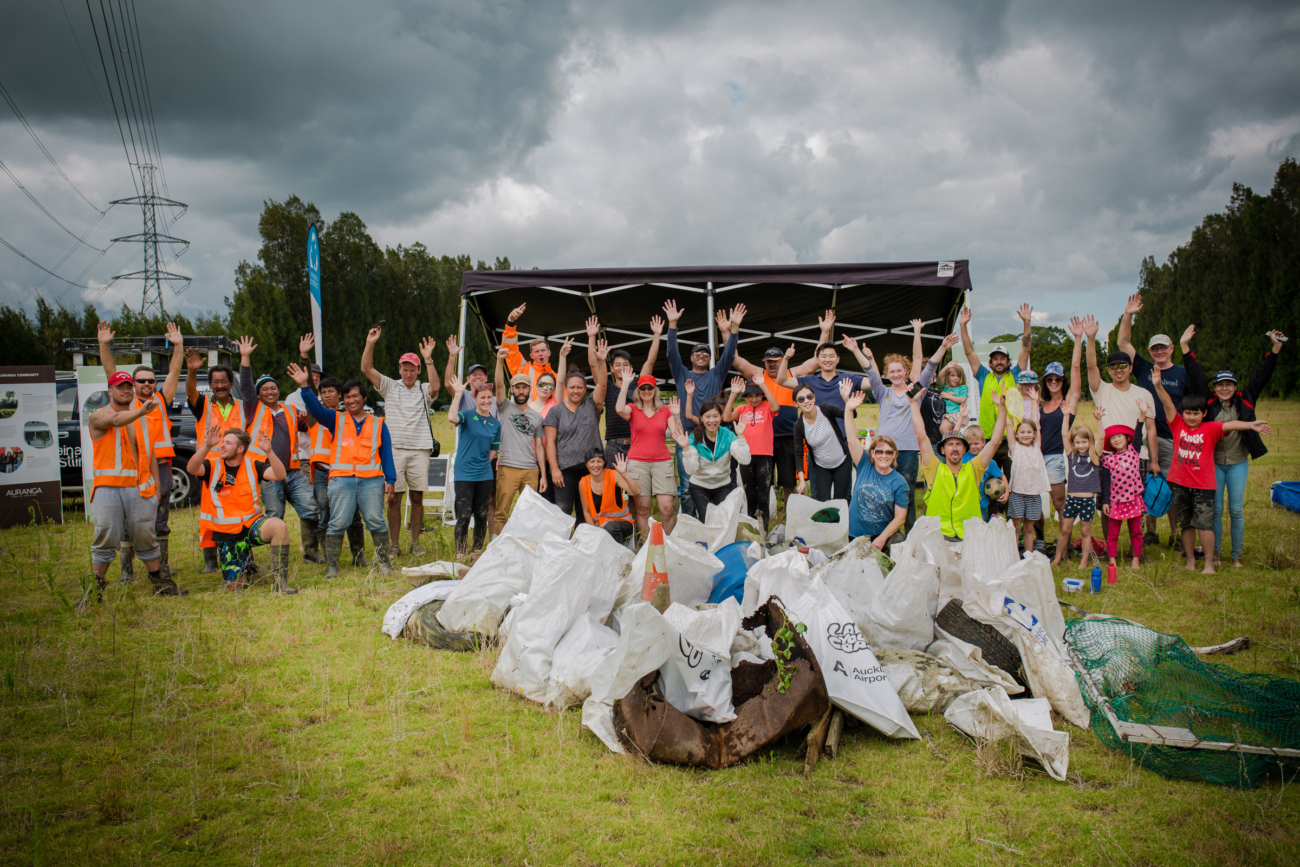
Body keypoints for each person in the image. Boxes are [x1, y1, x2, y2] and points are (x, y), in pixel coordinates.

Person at [1149, 368, 1272, 576]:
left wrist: (1251, 425)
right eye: (1188, 413)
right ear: (1183, 413)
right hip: (1179, 484)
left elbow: (1231, 423)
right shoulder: (1177, 424)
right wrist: (1158, 385)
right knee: (1186, 524)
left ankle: (1209, 563)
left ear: (1204, 414)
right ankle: (1189, 560)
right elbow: (1168, 403)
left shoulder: (1210, 428)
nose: (1191, 417)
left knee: (1205, 525)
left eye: (1196, 413)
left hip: (1203, 486)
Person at [1182, 326, 1285, 567]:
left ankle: (1236, 557)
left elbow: (1262, 374)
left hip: (1238, 463)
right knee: (1216, 510)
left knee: (1236, 511)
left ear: (1235, 386)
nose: (1224, 388)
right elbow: (1195, 373)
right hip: (1214, 463)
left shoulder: (1246, 398)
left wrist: (1276, 348)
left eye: (1229, 384)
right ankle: (1216, 554)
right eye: (1220, 385)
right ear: (1215, 387)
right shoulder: (1208, 402)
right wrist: (1185, 347)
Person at [97, 320, 185, 584]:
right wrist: (104, 345)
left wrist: (178, 346)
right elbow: (109, 370)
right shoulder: (128, 402)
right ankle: (126, 571)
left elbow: (174, 371)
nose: (146, 384)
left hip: (159, 467)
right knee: (126, 521)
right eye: (140, 381)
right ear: (132, 385)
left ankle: (162, 567)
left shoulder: (160, 400)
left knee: (159, 518)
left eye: (151, 380)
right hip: (133, 468)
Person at [291, 365, 398, 576]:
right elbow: (314, 408)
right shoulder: (334, 419)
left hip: (371, 481)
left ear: (364, 398)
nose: (351, 400)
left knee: (376, 521)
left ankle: (384, 563)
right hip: (341, 481)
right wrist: (305, 386)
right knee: (337, 523)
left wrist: (391, 479)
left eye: (355, 396)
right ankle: (333, 566)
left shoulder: (378, 423)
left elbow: (386, 454)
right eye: (347, 397)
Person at [846, 330, 960, 527]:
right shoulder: (882, 391)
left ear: (906, 372)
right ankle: (884, 532)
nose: (896, 374)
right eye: (892, 371)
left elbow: (930, 367)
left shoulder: (914, 391)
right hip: (883, 450)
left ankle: (909, 537)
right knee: (881, 492)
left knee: (905, 493)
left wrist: (943, 346)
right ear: (887, 374)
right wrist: (856, 350)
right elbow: (870, 372)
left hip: (907, 450)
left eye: (900, 371)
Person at [87, 372, 181, 597]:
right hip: (108, 488)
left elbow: (149, 456)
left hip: (141, 489)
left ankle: (161, 585)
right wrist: (139, 411)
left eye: (129, 387)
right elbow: (117, 420)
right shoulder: (98, 416)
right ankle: (95, 590)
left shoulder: (144, 420)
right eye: (120, 387)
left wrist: (157, 489)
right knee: (106, 538)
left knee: (145, 537)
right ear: (110, 391)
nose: (126, 391)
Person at [730, 310, 836, 508]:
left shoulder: (791, 374)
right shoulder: (759, 375)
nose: (773, 365)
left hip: (788, 437)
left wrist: (825, 333)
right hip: (764, 441)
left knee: (789, 483)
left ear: (782, 361)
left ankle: (790, 521)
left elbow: (815, 362)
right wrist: (730, 329)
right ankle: (765, 520)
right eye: (769, 362)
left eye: (776, 362)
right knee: (763, 484)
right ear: (765, 363)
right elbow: (735, 359)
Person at [236, 337, 323, 564]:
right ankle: (276, 562)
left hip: (294, 472)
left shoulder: (291, 410)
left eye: (273, 387)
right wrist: (245, 358)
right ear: (258, 395)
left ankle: (311, 552)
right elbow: (245, 386)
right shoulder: (254, 410)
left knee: (311, 509)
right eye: (264, 389)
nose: (270, 391)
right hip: (269, 474)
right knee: (275, 517)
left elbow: (312, 418)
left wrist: (304, 359)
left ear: (279, 390)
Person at [361, 325, 441, 558]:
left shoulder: (423, 388)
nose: (408, 374)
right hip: (394, 449)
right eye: (404, 370)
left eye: (412, 370)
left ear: (418, 371)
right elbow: (366, 368)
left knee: (417, 496)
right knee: (393, 497)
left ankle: (416, 543)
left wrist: (428, 360)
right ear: (400, 369)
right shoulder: (389, 386)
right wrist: (371, 343)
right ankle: (394, 545)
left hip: (420, 449)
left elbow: (436, 387)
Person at [1118, 293, 1191, 547]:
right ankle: (1150, 532)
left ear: (1171, 349)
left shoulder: (1183, 374)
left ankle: (1175, 534)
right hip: (1146, 437)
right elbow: (1123, 342)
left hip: (1174, 440)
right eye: (1154, 348)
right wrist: (1128, 315)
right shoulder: (1144, 369)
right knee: (1146, 483)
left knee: (1171, 488)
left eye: (1164, 348)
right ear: (1150, 351)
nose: (1159, 352)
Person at [187, 426, 295, 594]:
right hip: (227, 534)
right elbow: (191, 469)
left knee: (279, 526)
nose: (222, 445)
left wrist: (270, 452)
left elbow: (280, 475)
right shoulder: (212, 465)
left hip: (252, 525)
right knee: (235, 588)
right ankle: (245, 563)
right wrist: (207, 446)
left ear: (240, 449)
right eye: (222, 442)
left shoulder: (253, 465)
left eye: (227, 443)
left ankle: (281, 584)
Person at [664, 300, 744, 515]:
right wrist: (672, 325)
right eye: (697, 354)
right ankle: (691, 528)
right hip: (688, 435)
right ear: (691, 358)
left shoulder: (716, 374)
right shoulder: (682, 375)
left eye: (705, 354)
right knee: (687, 488)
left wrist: (733, 329)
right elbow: (672, 354)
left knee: (716, 484)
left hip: (714, 435)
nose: (701, 356)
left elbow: (728, 355)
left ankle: (714, 524)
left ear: (710, 359)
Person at [913, 388, 1007, 541]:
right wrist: (912, 403)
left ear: (965, 449)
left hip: (969, 536)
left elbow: (995, 442)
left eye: (958, 444)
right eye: (950, 445)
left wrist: (1002, 408)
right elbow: (921, 437)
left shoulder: (974, 468)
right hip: (939, 536)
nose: (955, 448)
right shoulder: (934, 468)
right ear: (942, 450)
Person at [184, 348, 246, 575]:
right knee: (210, 514)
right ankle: (210, 562)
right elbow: (190, 391)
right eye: (214, 382)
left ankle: (241, 555)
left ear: (231, 383)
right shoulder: (203, 406)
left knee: (238, 511)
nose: (219, 386)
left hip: (237, 469)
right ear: (210, 385)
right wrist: (192, 372)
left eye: (224, 381)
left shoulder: (241, 406)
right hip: (210, 470)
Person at [1084, 315, 1160, 485]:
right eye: (1113, 367)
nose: (1119, 370)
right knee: (1107, 506)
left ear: (1131, 368)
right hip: (1109, 456)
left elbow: (1151, 429)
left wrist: (1154, 461)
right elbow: (1091, 366)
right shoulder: (1101, 389)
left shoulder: (1144, 394)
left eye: (1123, 366)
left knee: (1135, 505)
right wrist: (1090, 339)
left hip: (1138, 456)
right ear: (1108, 370)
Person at [1030, 318, 1086, 550]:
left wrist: (1077, 339)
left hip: (1054, 457)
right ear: (1045, 380)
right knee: (1033, 502)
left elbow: (1075, 368)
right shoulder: (1039, 402)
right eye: (1050, 379)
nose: (1053, 382)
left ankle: (1066, 542)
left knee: (1059, 501)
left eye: (1058, 378)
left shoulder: (1068, 401)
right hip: (1035, 457)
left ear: (1063, 381)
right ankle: (1039, 538)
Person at [545, 325, 610, 518]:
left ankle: (585, 546)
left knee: (588, 512)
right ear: (566, 388)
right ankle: (562, 546)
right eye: (572, 387)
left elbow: (603, 384)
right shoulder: (555, 411)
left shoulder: (593, 404)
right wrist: (554, 469)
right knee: (563, 511)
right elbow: (549, 442)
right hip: (565, 470)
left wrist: (601, 361)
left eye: (580, 387)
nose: (576, 391)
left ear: (585, 389)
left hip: (592, 468)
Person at [304, 376, 368, 568]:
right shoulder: (315, 416)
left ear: (340, 395)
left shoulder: (347, 417)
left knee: (354, 517)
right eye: (323, 392)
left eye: (330, 391)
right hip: (324, 475)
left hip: (346, 473)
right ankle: (330, 558)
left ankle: (359, 555)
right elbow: (310, 396)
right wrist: (305, 360)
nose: (326, 395)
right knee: (325, 515)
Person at [958, 304, 1026, 474]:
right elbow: (969, 352)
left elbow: (1026, 349)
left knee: (1012, 482)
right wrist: (963, 326)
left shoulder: (1016, 375)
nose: (999, 362)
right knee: (989, 483)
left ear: (1008, 362)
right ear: (991, 362)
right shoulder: (983, 376)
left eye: (1002, 358)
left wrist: (1027, 323)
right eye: (995, 359)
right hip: (987, 439)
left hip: (1011, 438)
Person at [843, 387, 908, 551]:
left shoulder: (899, 482)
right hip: (854, 535)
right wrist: (849, 410)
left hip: (880, 536)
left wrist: (882, 538)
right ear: (872, 453)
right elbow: (851, 440)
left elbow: (900, 518)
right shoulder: (864, 464)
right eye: (879, 451)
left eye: (888, 452)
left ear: (894, 455)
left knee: (899, 540)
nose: (883, 455)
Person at [616, 369, 678, 538]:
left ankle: (670, 548)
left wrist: (677, 416)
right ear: (638, 391)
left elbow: (677, 434)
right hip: (637, 462)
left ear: (655, 390)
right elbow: (619, 409)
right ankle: (644, 547)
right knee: (643, 509)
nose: (646, 391)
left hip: (662, 461)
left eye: (649, 388)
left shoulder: (665, 410)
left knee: (667, 508)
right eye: (642, 388)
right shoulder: (633, 408)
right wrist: (626, 384)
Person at [492, 346, 546, 533]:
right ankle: (496, 547)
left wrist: (543, 474)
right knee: (502, 512)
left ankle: (525, 547)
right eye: (517, 388)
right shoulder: (504, 407)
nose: (521, 391)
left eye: (524, 387)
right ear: (512, 390)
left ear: (529, 390)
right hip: (508, 467)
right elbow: (499, 385)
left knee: (529, 513)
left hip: (531, 470)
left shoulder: (537, 417)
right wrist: (500, 361)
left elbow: (539, 447)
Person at [446, 374, 502, 556]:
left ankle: (477, 550)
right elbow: (452, 418)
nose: (486, 401)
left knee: (481, 515)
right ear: (475, 399)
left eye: (488, 397)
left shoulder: (495, 423)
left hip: (484, 475)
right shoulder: (468, 415)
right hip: (464, 474)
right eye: (482, 397)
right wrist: (457, 393)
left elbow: (494, 449)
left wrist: (485, 463)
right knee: (463, 515)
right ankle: (461, 552)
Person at [671, 397, 751, 515]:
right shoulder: (693, 439)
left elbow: (745, 460)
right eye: (707, 417)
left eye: (715, 416)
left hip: (723, 485)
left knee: (722, 520)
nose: (712, 420)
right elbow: (690, 470)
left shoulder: (728, 435)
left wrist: (741, 437)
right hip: (699, 486)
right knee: (706, 519)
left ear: (721, 417)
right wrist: (686, 449)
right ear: (701, 418)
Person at [723, 374, 780, 529]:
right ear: (746, 397)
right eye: (750, 396)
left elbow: (776, 407)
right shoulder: (742, 409)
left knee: (763, 494)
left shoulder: (767, 407)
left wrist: (763, 386)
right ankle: (752, 527)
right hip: (746, 456)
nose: (754, 399)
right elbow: (726, 416)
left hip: (765, 456)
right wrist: (734, 393)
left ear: (762, 395)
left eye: (757, 395)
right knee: (750, 495)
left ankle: (764, 528)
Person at [1006, 377, 1050, 556]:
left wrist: (1033, 401)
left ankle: (1029, 556)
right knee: (1017, 527)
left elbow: (1035, 421)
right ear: (1016, 435)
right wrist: (1005, 407)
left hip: (1033, 494)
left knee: (1029, 527)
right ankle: (1015, 556)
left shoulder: (1036, 447)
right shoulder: (1014, 448)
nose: (1025, 435)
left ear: (1034, 435)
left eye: (1029, 432)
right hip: (1017, 493)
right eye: (1022, 432)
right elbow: (1009, 425)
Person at [791, 381, 852, 502]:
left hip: (842, 463)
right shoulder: (799, 425)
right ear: (796, 403)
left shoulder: (825, 409)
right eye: (801, 399)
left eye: (809, 397)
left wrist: (846, 399)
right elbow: (799, 454)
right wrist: (802, 481)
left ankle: (843, 522)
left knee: (841, 502)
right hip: (821, 467)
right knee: (823, 504)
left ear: (814, 398)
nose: (806, 401)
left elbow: (851, 414)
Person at [1053, 420, 1101, 571]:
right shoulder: (1071, 455)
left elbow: (1103, 436)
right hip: (1072, 500)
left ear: (1090, 441)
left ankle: (1084, 560)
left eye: (1084, 442)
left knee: (1085, 531)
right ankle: (1057, 558)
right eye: (1077, 442)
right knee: (1065, 530)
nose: (1081, 445)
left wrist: (1098, 420)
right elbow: (1063, 434)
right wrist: (1066, 416)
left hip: (1088, 501)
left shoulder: (1094, 455)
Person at [1099, 420, 1146, 571]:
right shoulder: (1108, 460)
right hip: (1116, 501)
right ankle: (1112, 559)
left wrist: (1142, 417)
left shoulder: (1134, 451)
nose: (1117, 439)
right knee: (1113, 534)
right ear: (1110, 444)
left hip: (1134, 499)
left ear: (1127, 439)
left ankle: (1136, 559)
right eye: (1113, 438)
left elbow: (1138, 435)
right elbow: (1105, 482)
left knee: (1136, 532)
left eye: (1120, 436)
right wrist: (1105, 501)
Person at [578, 448, 642, 544]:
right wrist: (593, 534)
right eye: (592, 462)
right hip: (600, 526)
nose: (596, 465)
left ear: (604, 462)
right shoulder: (583, 482)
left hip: (622, 523)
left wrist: (624, 473)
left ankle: (620, 552)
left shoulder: (614, 475)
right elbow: (586, 512)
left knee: (610, 529)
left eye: (599, 461)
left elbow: (637, 491)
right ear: (587, 465)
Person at [501, 302, 558, 402]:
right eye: (537, 351)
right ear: (531, 355)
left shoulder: (557, 378)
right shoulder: (524, 369)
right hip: (525, 417)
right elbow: (511, 350)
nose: (540, 353)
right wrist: (510, 322)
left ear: (549, 353)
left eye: (543, 350)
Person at [961, 425, 1007, 521]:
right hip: (964, 504)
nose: (973, 446)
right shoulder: (962, 458)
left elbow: (1002, 476)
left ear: (983, 442)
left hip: (982, 505)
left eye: (976, 443)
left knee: (980, 531)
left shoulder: (990, 462)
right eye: (970, 444)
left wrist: (1006, 493)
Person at [938, 362, 969, 428]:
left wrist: (948, 396)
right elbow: (940, 376)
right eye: (953, 375)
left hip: (958, 413)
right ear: (947, 377)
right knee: (943, 429)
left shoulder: (962, 387)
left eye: (958, 376)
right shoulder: (946, 387)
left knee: (945, 429)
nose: (955, 378)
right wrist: (947, 367)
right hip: (948, 414)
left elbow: (963, 400)